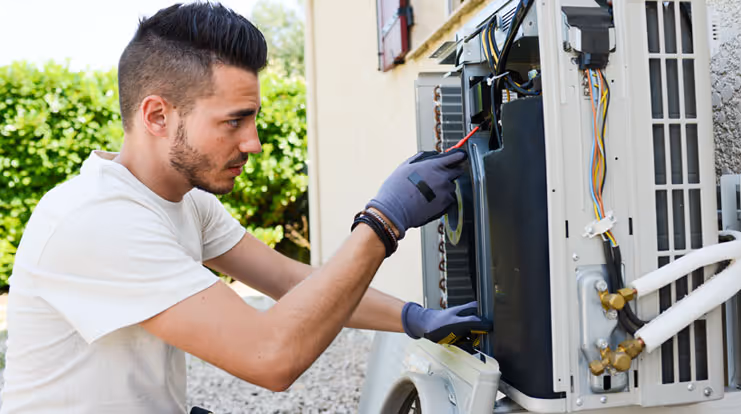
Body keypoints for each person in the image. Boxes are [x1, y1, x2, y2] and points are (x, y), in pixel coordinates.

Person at [0, 2, 491, 413]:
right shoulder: (98, 219)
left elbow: (291, 282)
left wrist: (412, 317)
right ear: (156, 115)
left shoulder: (184, 199)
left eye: (252, 119)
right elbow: (270, 356)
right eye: (234, 121)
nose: (253, 143)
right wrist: (382, 222)